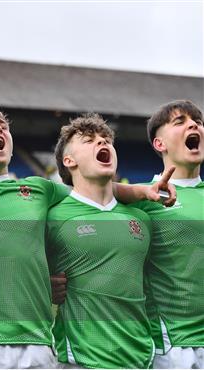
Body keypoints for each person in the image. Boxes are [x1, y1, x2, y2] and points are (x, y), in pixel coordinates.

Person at [0, 106, 174, 368]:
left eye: (3, 126)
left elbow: (91, 189)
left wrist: (141, 191)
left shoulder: (40, 189)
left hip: (40, 347)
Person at [47, 113, 158, 368]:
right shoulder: (52, 216)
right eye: (89, 140)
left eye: (106, 139)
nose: (102, 143)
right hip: (82, 358)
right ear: (69, 160)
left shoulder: (141, 217)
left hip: (143, 358)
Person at [135, 100, 204, 369]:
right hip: (175, 347)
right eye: (180, 121)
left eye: (197, 121)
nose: (193, 124)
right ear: (159, 143)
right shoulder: (143, 197)